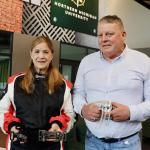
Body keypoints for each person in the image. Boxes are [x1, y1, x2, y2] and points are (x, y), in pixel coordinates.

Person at [73, 15, 150, 150]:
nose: (103, 39)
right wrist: (83, 109)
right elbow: (78, 94)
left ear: (123, 35)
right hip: (92, 142)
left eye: (109, 34)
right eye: (100, 35)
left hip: (128, 144)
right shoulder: (86, 62)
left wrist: (130, 112)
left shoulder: (143, 62)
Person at [0, 36, 75, 150]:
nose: (41, 56)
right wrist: (11, 126)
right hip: (19, 146)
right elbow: (2, 110)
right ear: (31, 54)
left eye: (45, 52)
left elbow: (70, 114)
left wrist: (58, 125)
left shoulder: (64, 86)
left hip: (52, 146)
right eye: (37, 51)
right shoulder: (14, 82)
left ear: (51, 55)